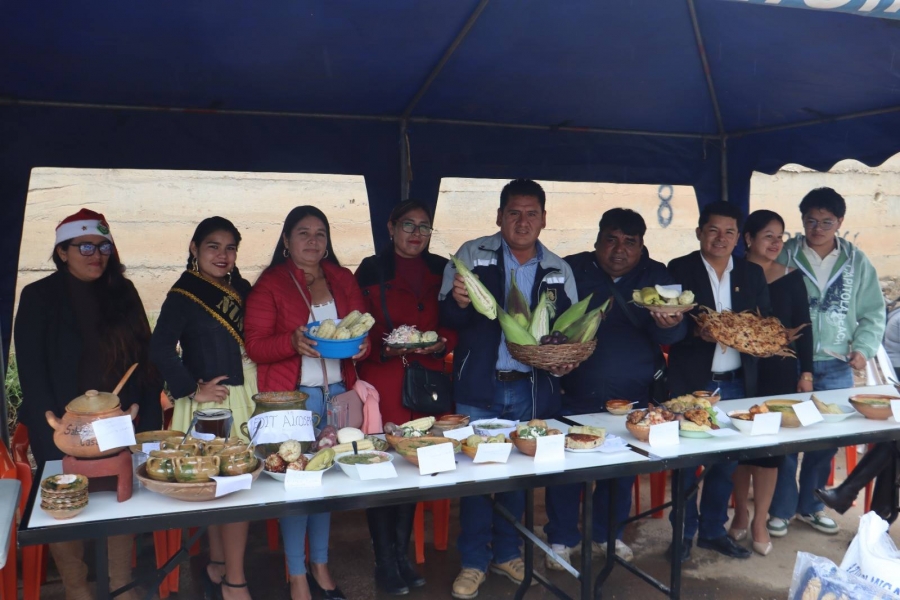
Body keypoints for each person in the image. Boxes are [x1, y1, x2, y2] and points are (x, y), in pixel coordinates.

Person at [439, 179, 578, 599]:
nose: (522, 221)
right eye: (514, 212)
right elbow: (449, 317)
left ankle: (506, 552)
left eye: (531, 213)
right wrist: (460, 302)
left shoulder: (558, 269)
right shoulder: (471, 255)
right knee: (478, 476)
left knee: (519, 477)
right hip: (480, 386)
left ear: (544, 219)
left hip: (530, 390)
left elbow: (566, 332)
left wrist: (570, 356)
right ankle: (474, 561)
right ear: (499, 217)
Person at [14, 209, 162, 600]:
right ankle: (77, 589)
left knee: (120, 499)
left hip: (118, 419)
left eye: (103, 246)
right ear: (62, 251)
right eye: (84, 246)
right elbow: (31, 367)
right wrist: (52, 421)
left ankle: (119, 585)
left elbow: (145, 360)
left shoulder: (123, 292)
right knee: (65, 501)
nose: (96, 255)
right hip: (63, 425)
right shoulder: (38, 296)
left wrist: (141, 414)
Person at [543, 209, 687, 570]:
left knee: (621, 469)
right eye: (611, 239)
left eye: (629, 242)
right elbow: (549, 325)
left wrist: (669, 325)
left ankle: (608, 535)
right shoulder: (572, 270)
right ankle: (561, 539)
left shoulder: (657, 278)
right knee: (565, 468)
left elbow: (673, 336)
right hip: (574, 389)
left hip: (632, 392)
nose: (619, 250)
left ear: (642, 246)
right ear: (597, 240)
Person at [244, 206, 367, 600]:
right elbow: (255, 345)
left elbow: (358, 326)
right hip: (292, 401)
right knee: (297, 484)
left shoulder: (342, 278)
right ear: (285, 240)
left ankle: (321, 565)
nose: (313, 241)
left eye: (320, 234)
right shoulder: (271, 284)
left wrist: (360, 348)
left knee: (326, 481)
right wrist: (290, 342)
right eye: (303, 233)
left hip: (337, 397)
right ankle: (296, 574)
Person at [149, 217, 256, 599]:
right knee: (228, 484)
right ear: (194, 249)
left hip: (248, 393)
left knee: (230, 485)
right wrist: (192, 389)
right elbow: (159, 348)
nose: (222, 255)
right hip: (216, 402)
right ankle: (234, 583)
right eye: (213, 246)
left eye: (230, 248)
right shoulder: (182, 294)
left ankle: (219, 564)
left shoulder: (240, 287)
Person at [770, 187, 886, 538]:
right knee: (785, 438)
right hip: (790, 360)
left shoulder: (856, 261)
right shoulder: (786, 254)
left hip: (836, 364)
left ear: (840, 223)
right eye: (810, 221)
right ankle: (781, 509)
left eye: (827, 222)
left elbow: (873, 312)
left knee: (826, 440)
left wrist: (863, 348)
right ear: (802, 220)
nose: (818, 228)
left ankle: (811, 506)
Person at [354, 200, 456, 595]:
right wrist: (381, 349)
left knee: (413, 466)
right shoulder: (370, 269)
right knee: (384, 469)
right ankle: (384, 562)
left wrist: (445, 342)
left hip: (426, 383)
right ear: (390, 227)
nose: (416, 234)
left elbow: (454, 321)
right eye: (408, 225)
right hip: (384, 382)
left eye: (425, 227)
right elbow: (357, 324)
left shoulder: (442, 269)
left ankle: (402, 555)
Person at [666, 201, 771, 562]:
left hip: (737, 383)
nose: (720, 238)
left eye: (729, 232)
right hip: (693, 383)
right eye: (713, 230)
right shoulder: (678, 269)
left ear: (739, 238)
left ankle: (712, 530)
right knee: (685, 464)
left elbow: (762, 325)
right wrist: (698, 333)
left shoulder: (751, 274)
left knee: (725, 462)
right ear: (699, 232)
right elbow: (671, 328)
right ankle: (681, 533)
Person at [728, 210, 813, 557]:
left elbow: (804, 330)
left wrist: (805, 373)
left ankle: (760, 519)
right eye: (768, 236)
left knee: (769, 452)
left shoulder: (792, 278)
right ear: (748, 239)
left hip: (778, 373)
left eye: (780, 236)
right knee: (738, 448)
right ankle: (741, 512)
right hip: (740, 371)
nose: (777, 243)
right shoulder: (733, 275)